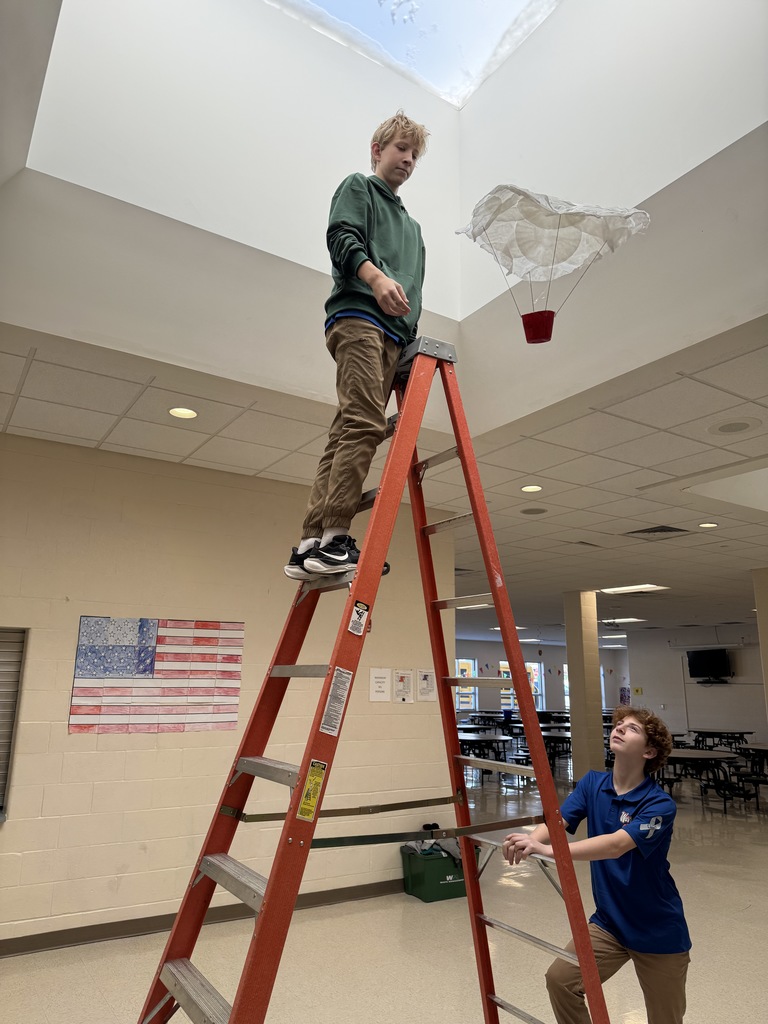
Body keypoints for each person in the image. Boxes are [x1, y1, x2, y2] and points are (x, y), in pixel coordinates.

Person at [284, 111, 429, 580]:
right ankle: (336, 537)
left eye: (414, 154)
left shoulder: (414, 230)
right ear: (377, 150)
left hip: (394, 336)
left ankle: (312, 542)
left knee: (347, 427)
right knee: (366, 423)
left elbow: (414, 291)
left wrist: (408, 341)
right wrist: (376, 278)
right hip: (359, 317)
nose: (407, 159)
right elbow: (341, 238)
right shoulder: (358, 188)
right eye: (400, 148)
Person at [502, 706, 691, 1024]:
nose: (620, 728)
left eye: (632, 728)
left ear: (648, 752)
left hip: (657, 930)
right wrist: (530, 841)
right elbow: (558, 821)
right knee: (561, 981)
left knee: (665, 1019)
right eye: (619, 724)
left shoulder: (659, 805)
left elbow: (616, 845)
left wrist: (548, 850)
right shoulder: (592, 784)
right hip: (609, 923)